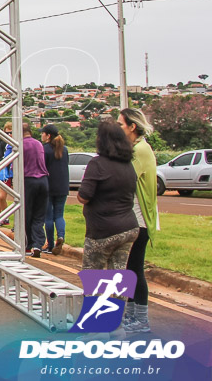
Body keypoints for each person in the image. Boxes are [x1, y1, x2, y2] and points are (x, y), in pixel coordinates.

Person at [77, 120, 138, 271]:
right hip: (128, 227)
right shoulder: (128, 164)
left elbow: (84, 196)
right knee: (118, 276)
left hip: (103, 229)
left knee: (93, 276)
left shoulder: (97, 163)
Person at [118, 108, 159, 333]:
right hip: (132, 217)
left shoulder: (140, 150)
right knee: (130, 268)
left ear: (132, 126)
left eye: (121, 124)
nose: (118, 128)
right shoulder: (137, 148)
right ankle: (133, 314)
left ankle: (141, 318)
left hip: (138, 218)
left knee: (135, 269)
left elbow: (124, 178)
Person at [22, 122, 48, 258]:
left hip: (28, 179)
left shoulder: (20, 145)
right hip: (43, 180)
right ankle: (38, 243)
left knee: (26, 214)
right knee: (39, 215)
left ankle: (28, 244)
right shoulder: (38, 144)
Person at [41, 124, 69, 255]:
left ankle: (50, 244)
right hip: (63, 186)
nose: (41, 135)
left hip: (49, 186)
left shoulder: (45, 150)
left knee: (48, 216)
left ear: (48, 135)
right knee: (59, 214)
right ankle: (61, 236)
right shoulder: (65, 150)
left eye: (43, 133)